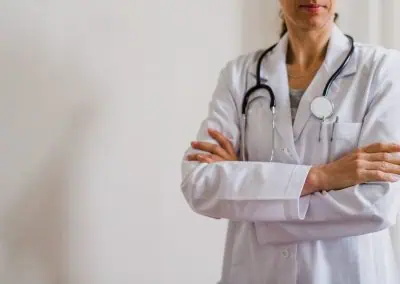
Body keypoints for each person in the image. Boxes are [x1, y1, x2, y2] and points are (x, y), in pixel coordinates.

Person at [180, 1, 400, 283]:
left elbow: (376, 205)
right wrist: (322, 176)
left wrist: (251, 194)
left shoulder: (382, 70)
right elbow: (200, 185)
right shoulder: (239, 75)